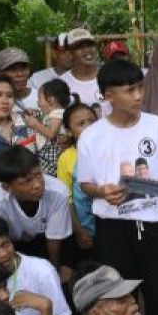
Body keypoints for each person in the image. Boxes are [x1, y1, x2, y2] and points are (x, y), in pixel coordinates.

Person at [77, 59, 158, 315]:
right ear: (108, 96)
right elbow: (84, 184)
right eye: (129, 90)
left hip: (154, 224)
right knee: (120, 298)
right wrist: (101, 191)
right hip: (112, 227)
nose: (138, 96)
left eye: (140, 88)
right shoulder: (91, 136)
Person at [0, 146, 73, 268]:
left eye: (38, 175)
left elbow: (55, 238)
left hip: (47, 241)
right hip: (13, 246)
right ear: (7, 187)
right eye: (27, 181)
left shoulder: (58, 191)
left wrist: (54, 269)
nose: (37, 184)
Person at [56, 102, 98, 258]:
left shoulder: (110, 148)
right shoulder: (66, 158)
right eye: (81, 124)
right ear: (69, 131)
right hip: (87, 229)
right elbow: (68, 200)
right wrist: (79, 231)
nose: (88, 127)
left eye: (92, 121)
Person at [59, 27, 105, 117]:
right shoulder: (62, 83)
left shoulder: (110, 76)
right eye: (80, 47)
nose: (87, 50)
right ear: (69, 53)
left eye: (90, 45)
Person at [33, 78, 71, 177]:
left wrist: (36, 124)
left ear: (51, 99)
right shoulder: (52, 114)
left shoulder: (58, 113)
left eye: (39, 98)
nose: (37, 103)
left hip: (53, 153)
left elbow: (51, 134)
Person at [0, 47, 40, 112]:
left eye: (23, 68)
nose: (20, 74)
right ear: (0, 74)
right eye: (13, 69)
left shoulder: (44, 99)